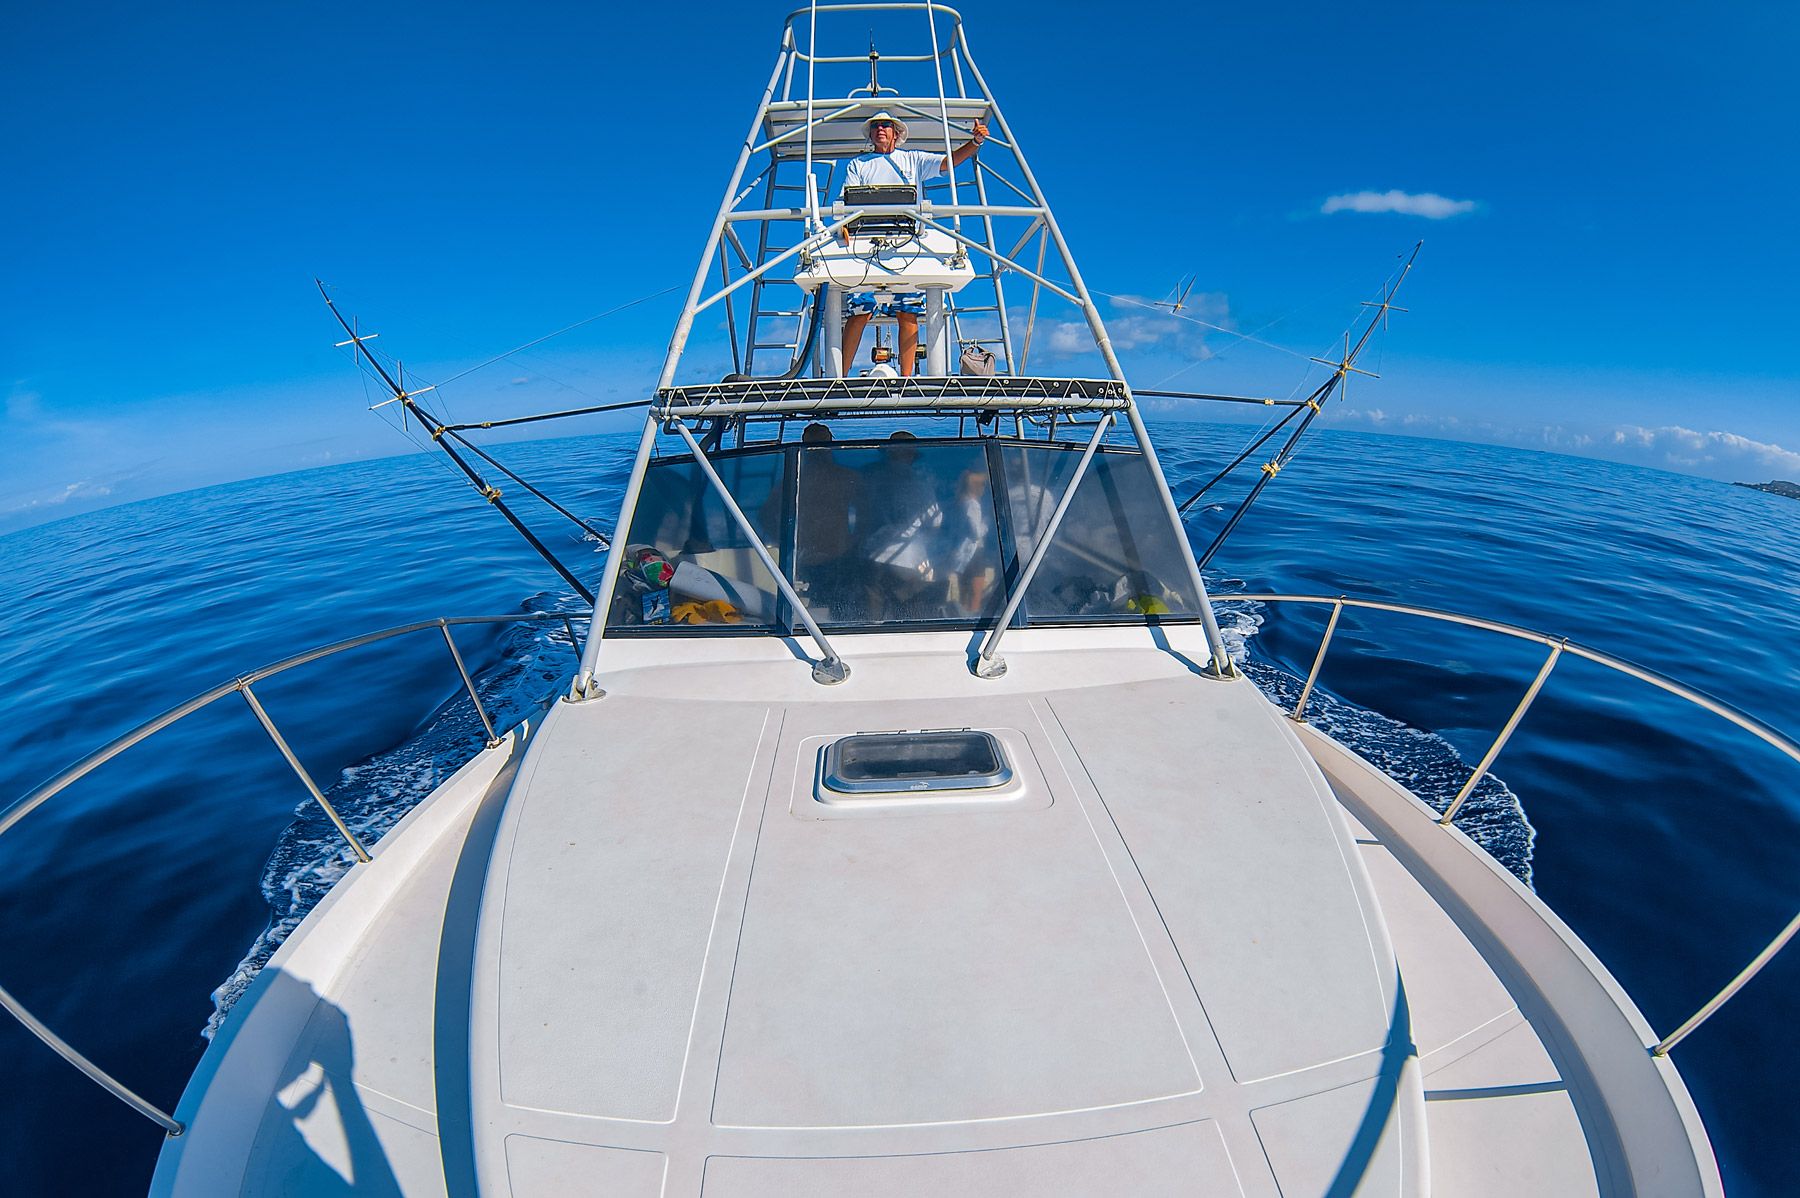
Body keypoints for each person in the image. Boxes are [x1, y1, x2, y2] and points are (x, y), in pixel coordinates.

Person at [839, 111, 989, 377]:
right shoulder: (858, 164)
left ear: (896, 133)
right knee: (860, 310)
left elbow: (947, 163)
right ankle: (840, 375)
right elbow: (847, 201)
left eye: (886, 125)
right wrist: (843, 225)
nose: (880, 129)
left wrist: (974, 143)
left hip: (906, 245)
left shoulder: (913, 159)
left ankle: (907, 379)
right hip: (864, 245)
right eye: (876, 125)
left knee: (907, 312)